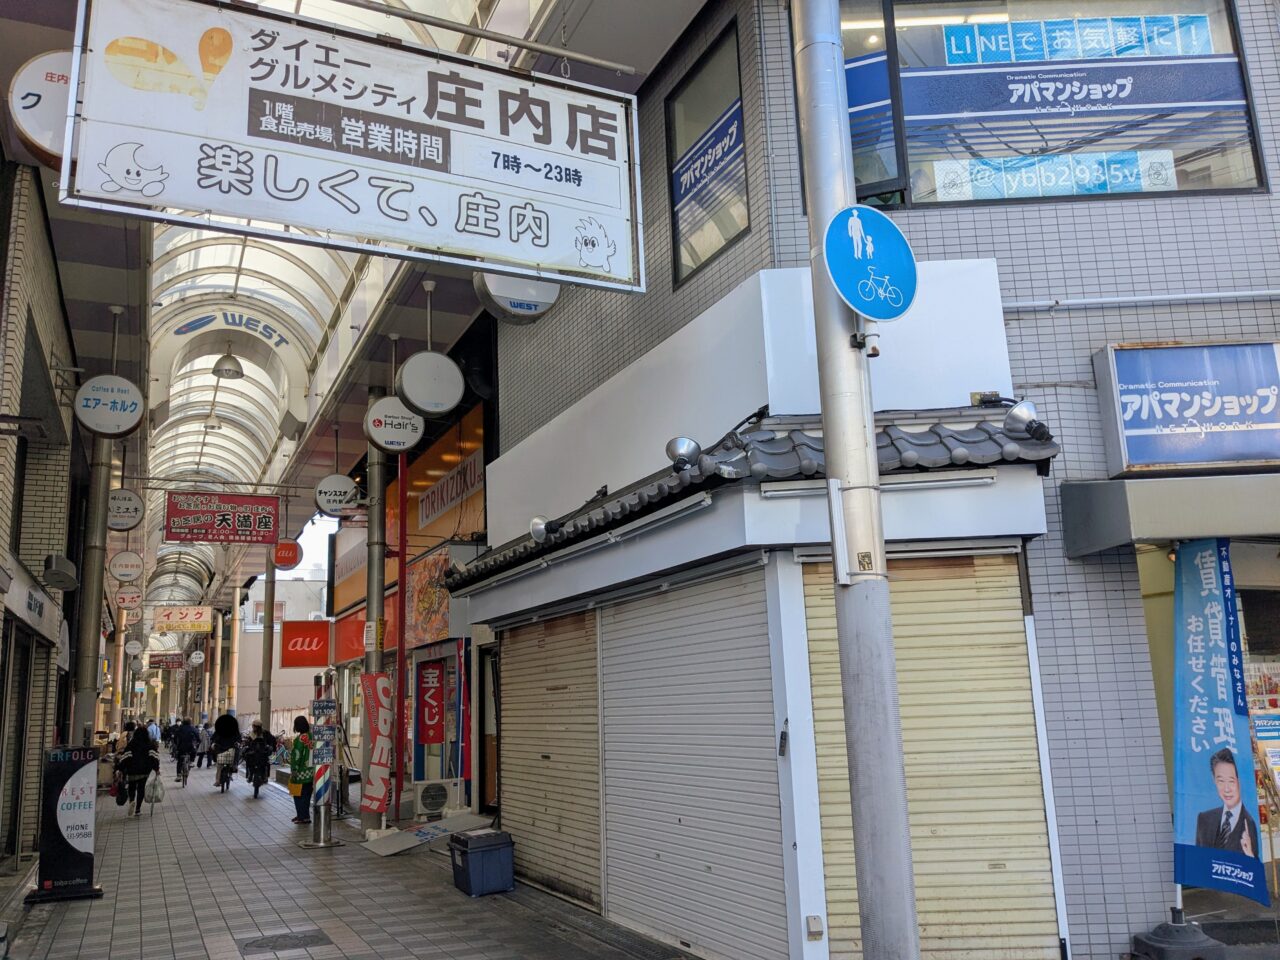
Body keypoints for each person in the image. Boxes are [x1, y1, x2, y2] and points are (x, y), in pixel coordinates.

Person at [1195, 748, 1259, 857]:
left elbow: (1255, 871)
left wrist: (1250, 856)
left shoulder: (1250, 824)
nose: (1226, 789)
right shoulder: (1204, 819)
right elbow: (1197, 860)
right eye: (1221, 781)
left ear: (1240, 781)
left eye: (1231, 781)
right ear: (1214, 780)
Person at [116, 726, 159, 817]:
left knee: (132, 786)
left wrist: (120, 768)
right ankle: (138, 809)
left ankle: (132, 800)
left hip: (132, 770)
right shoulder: (150, 744)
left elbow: (125, 757)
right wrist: (156, 769)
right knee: (141, 788)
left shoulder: (132, 744)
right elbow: (154, 757)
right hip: (144, 770)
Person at [288, 715, 314, 825]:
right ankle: (305, 816)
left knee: (297, 794)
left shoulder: (299, 740)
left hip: (300, 773)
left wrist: (294, 769)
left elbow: (297, 755)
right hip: (311, 771)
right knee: (307, 795)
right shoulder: (312, 736)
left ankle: (301, 816)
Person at [242, 721, 274, 799]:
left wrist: (270, 747)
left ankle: (265, 776)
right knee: (248, 760)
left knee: (266, 763)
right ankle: (249, 775)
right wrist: (246, 746)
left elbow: (272, 740)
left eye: (255, 726)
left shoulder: (266, 733)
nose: (253, 727)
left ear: (258, 727)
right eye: (253, 726)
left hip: (262, 753)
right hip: (253, 754)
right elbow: (247, 743)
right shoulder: (251, 734)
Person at [211, 714, 241, 788]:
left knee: (220, 765)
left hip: (223, 748)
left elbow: (213, 738)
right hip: (228, 748)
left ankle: (218, 780)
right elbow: (238, 739)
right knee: (221, 764)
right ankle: (233, 768)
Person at [172, 717, 199, 781]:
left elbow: (175, 737)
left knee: (179, 761)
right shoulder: (193, 728)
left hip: (181, 747)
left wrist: (176, 744)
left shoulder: (180, 729)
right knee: (194, 752)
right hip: (190, 747)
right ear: (190, 722)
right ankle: (192, 762)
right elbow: (198, 738)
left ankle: (178, 775)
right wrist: (197, 743)